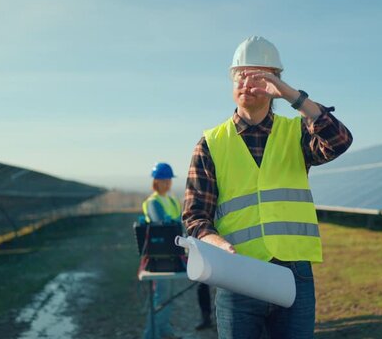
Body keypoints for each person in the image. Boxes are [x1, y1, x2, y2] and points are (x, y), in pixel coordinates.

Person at [182, 36, 353, 339]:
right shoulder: (210, 143)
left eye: (259, 75)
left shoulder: (297, 132)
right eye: (240, 75)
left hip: (294, 272)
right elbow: (195, 217)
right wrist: (217, 244)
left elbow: (339, 140)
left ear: (276, 81)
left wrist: (293, 97)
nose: (247, 83)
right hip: (237, 274)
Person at [142, 162, 182, 339]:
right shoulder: (153, 202)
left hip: (173, 253)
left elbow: (180, 222)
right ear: (156, 182)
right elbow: (160, 223)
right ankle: (151, 335)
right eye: (163, 180)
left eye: (168, 180)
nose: (167, 183)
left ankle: (164, 332)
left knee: (168, 296)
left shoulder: (173, 200)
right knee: (161, 297)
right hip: (159, 256)